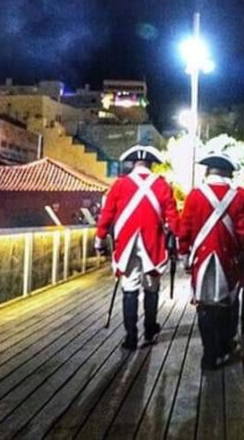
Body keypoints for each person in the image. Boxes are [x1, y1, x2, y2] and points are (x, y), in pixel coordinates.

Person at [179, 151, 244, 370]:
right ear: (229, 173)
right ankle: (225, 345)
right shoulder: (241, 196)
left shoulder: (195, 195)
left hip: (202, 258)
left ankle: (209, 355)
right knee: (229, 301)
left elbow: (185, 228)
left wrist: (184, 254)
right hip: (230, 258)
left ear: (208, 171)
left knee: (204, 305)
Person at [95, 145, 178, 350]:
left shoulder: (120, 184)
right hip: (152, 243)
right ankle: (149, 331)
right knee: (151, 287)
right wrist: (179, 242)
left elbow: (107, 215)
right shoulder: (162, 185)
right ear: (151, 164)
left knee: (129, 287)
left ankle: (131, 337)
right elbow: (173, 217)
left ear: (133, 163)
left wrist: (99, 239)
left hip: (127, 244)